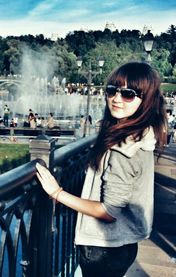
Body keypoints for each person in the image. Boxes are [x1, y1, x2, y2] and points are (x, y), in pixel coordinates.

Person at [36, 62, 167, 277]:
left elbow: (108, 212)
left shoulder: (125, 148)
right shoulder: (142, 134)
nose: (116, 98)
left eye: (128, 94)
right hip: (122, 244)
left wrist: (57, 193)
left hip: (104, 247)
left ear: (146, 101)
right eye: (112, 90)